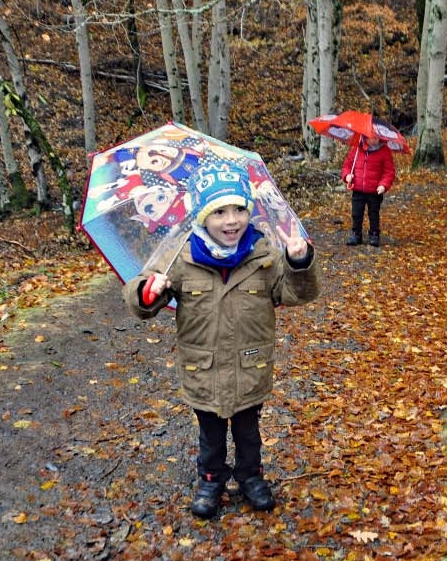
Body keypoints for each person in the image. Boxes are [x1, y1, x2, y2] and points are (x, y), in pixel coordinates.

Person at [122, 160, 320, 519]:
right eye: (219, 212)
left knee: (248, 432)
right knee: (210, 434)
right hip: (203, 368)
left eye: (239, 209)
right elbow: (141, 300)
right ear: (202, 215)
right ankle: (211, 479)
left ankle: (250, 477)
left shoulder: (263, 255)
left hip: (250, 365)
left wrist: (299, 262)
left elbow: (295, 293)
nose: (231, 221)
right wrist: (148, 293)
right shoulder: (178, 258)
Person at [341, 133, 396, 247]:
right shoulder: (357, 149)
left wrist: (383, 185)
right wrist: (347, 176)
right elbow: (347, 165)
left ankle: (374, 234)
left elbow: (389, 172)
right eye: (372, 137)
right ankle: (356, 234)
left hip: (375, 191)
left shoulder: (384, 151)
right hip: (358, 189)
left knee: (374, 213)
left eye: (377, 138)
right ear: (365, 137)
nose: (375, 140)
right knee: (356, 213)